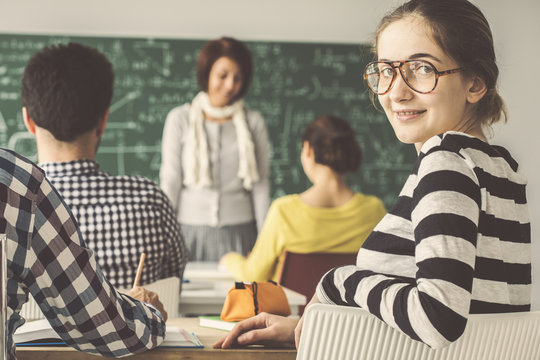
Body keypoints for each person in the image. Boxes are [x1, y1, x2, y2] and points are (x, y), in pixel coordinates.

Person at [215, 0, 530, 351]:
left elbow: (438, 317)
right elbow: (469, 319)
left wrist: (339, 281)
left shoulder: (445, 163)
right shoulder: (499, 168)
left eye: (422, 68)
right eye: (386, 70)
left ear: (475, 83)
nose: (396, 91)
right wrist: (312, 325)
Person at [22, 42, 188, 290]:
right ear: (103, 121)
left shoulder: (13, 205)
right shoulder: (151, 201)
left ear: (29, 121)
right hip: (131, 330)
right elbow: (172, 288)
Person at [1, 148, 167, 360]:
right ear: (104, 121)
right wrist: (148, 313)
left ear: (28, 121)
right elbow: (103, 329)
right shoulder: (17, 182)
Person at [220, 115, 386, 282]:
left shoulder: (284, 212)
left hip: (292, 309)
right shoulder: (374, 211)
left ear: (308, 149)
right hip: (349, 308)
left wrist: (230, 260)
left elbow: (253, 275)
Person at [160, 36, 270, 261]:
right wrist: (163, 238)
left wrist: (265, 243)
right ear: (206, 73)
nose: (230, 85)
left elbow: (260, 186)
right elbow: (171, 180)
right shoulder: (179, 119)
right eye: (223, 75)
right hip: (187, 233)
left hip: (241, 234)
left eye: (238, 78)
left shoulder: (253, 122)